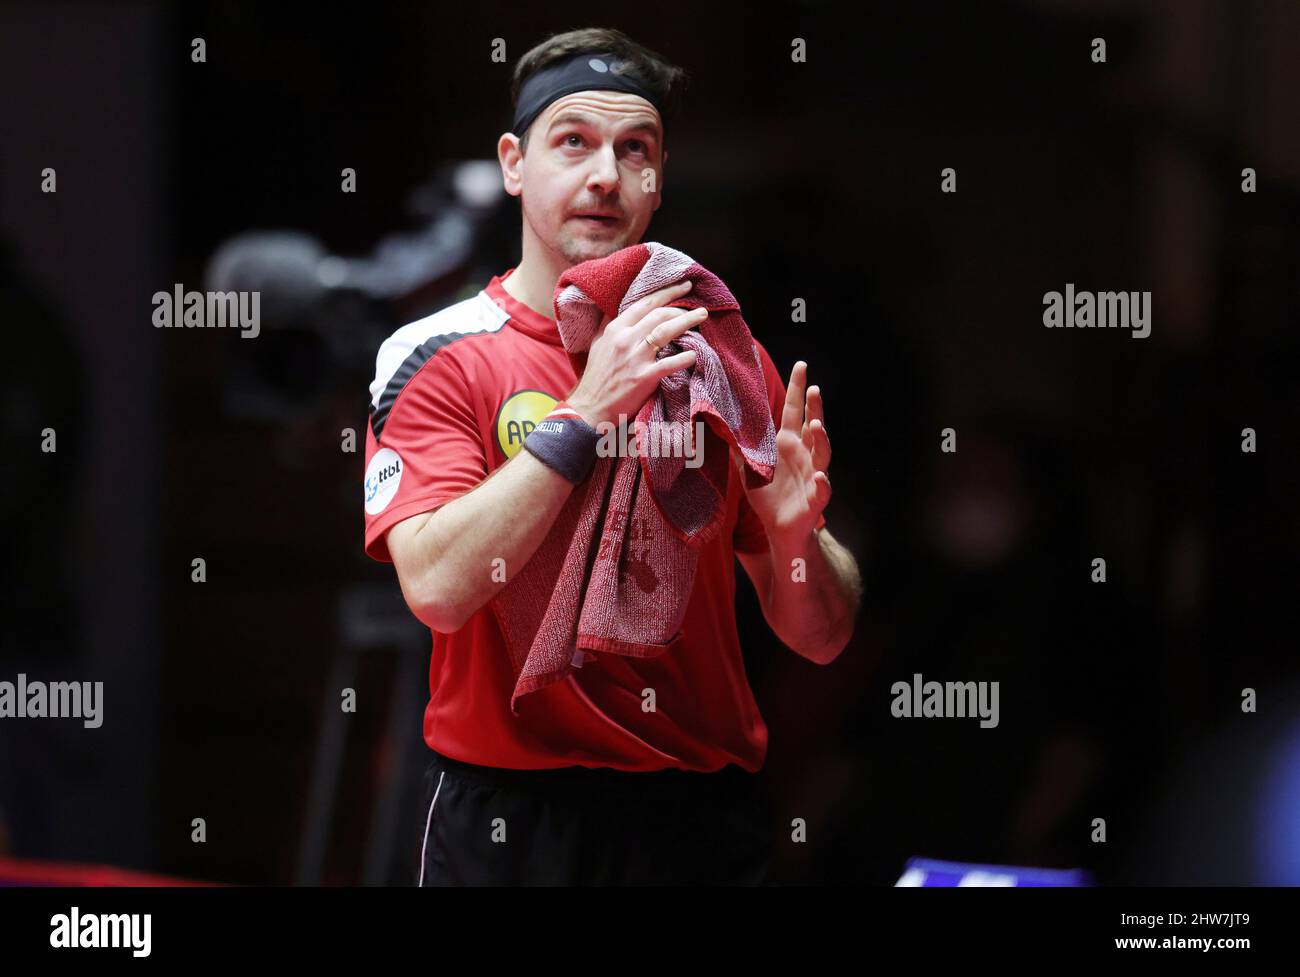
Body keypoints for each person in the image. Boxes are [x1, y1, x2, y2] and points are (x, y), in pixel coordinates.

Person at [362, 27, 862, 885]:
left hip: (699, 825)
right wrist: (587, 410)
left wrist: (794, 544)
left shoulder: (714, 353)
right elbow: (439, 589)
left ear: (658, 180)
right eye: (574, 143)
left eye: (636, 150)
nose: (605, 176)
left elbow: (820, 637)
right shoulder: (441, 354)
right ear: (515, 163)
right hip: (510, 824)